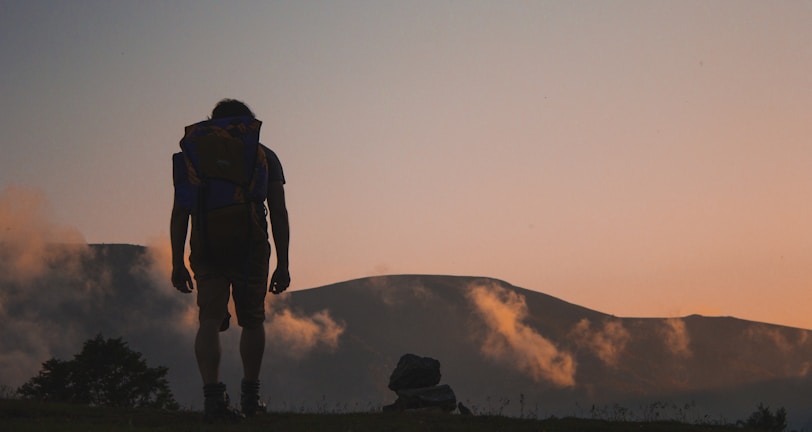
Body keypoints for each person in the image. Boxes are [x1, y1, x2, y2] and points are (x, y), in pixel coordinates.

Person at [170, 99, 290, 421]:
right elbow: (277, 211)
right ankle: (250, 400)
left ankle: (213, 401)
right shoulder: (263, 156)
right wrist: (283, 262)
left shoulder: (195, 156)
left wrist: (177, 261)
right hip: (249, 244)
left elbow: (181, 211)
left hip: (206, 242)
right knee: (252, 320)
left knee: (208, 320)